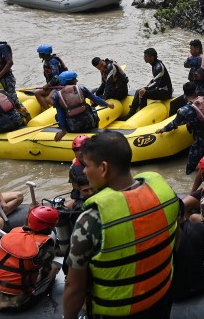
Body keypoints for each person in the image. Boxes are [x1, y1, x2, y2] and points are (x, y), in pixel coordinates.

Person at [63, 132, 180, 319]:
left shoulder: (91, 219)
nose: (84, 171)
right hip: (160, 303)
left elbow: (74, 287)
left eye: (87, 166)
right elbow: (176, 242)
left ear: (103, 168)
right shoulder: (164, 194)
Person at [0, 206, 60, 310]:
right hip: (18, 304)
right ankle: (42, 295)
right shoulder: (46, 247)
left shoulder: (14, 232)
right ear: (49, 227)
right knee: (53, 268)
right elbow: (45, 271)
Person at [157, 81, 204, 174]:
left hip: (202, 138)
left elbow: (174, 124)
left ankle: (190, 176)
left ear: (184, 93)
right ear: (195, 91)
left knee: (190, 165)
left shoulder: (184, 110)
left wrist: (163, 129)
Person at [51, 71, 107, 142]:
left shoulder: (56, 96)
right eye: (75, 79)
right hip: (90, 124)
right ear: (70, 81)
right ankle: (95, 130)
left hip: (73, 128)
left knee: (57, 116)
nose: (77, 80)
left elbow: (60, 114)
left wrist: (63, 130)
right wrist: (107, 104)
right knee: (92, 108)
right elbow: (96, 99)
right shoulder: (81, 88)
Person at [131, 48, 173, 117]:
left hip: (166, 91)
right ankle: (131, 112)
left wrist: (145, 88)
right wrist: (145, 87)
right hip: (159, 88)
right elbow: (153, 80)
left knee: (144, 93)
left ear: (152, 57)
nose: (144, 58)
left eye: (146, 56)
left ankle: (142, 115)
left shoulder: (159, 66)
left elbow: (156, 82)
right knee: (138, 91)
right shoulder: (154, 64)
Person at [33, 43, 68, 111]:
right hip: (54, 85)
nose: (39, 54)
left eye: (40, 53)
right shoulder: (47, 61)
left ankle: (65, 110)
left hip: (60, 86)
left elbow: (56, 77)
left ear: (44, 54)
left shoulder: (53, 62)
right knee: (37, 93)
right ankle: (48, 111)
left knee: (48, 99)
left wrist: (48, 85)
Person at [66, 134, 90, 209]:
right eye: (77, 150)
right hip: (85, 196)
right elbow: (76, 190)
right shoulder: (74, 169)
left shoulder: (101, 164)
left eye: (82, 149)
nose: (80, 152)